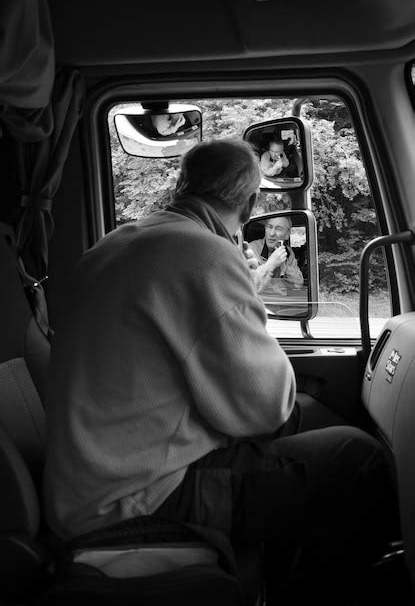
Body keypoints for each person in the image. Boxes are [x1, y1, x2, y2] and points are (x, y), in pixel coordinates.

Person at [43, 138, 396, 604]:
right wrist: (247, 300)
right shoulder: (205, 254)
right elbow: (266, 409)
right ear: (250, 206)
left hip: (83, 484)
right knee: (357, 455)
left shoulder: (113, 244)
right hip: (137, 499)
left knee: (310, 414)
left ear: (181, 184)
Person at [249, 216, 304, 295]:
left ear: (287, 235)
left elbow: (298, 285)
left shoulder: (288, 252)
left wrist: (284, 266)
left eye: (278, 229)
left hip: (283, 303)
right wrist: (271, 264)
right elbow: (250, 286)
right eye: (270, 227)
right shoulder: (252, 249)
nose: (272, 233)